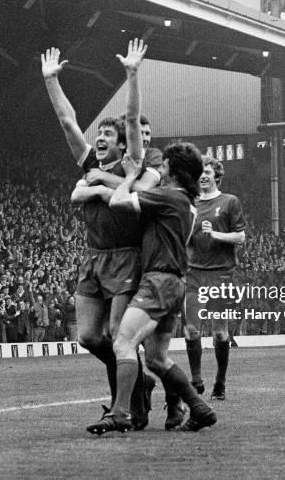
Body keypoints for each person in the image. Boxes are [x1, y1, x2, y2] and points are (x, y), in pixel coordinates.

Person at [40, 39, 160, 428]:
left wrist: (132, 74)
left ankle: (124, 409)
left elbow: (131, 118)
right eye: (101, 134)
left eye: (110, 134)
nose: (102, 138)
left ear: (123, 142)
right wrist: (51, 81)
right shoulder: (88, 161)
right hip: (93, 259)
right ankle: (138, 381)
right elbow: (67, 122)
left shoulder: (133, 168)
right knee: (90, 337)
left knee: (117, 333)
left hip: (126, 256)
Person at [88, 138, 216, 434]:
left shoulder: (168, 196)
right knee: (157, 359)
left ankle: (120, 414)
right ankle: (200, 408)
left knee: (123, 342)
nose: (161, 168)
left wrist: (129, 176)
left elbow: (119, 201)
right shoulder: (188, 202)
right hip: (174, 283)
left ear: (174, 169)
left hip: (158, 281)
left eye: (165, 164)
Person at [184, 157, 246, 400]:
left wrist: (216, 234)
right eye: (200, 172)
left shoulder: (229, 202)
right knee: (191, 330)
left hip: (221, 275)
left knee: (220, 334)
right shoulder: (191, 204)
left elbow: (240, 238)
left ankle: (219, 383)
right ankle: (196, 380)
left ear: (217, 176)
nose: (203, 176)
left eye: (207, 172)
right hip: (194, 275)